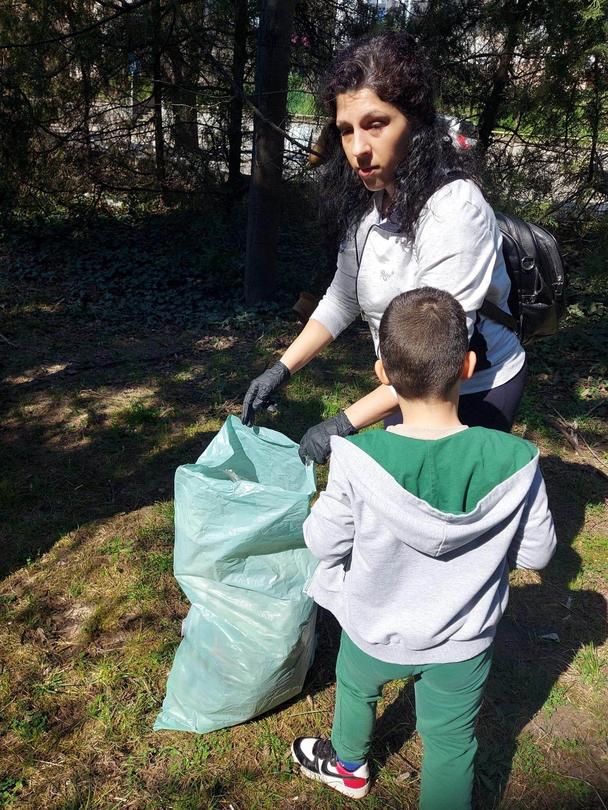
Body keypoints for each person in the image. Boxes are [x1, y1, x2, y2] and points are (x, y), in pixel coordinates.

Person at [290, 287, 556, 807]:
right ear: (469, 366)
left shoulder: (355, 456)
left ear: (382, 373)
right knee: (452, 744)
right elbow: (538, 555)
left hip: (372, 628)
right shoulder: (517, 458)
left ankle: (349, 769)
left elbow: (322, 542)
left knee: (355, 689)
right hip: (463, 639)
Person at [241, 32, 527, 462]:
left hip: (470, 388)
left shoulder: (454, 210)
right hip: (408, 386)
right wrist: (281, 369)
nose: (358, 148)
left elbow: (435, 355)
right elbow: (341, 297)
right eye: (345, 130)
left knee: (437, 512)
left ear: (414, 121)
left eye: (376, 124)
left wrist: (343, 422)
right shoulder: (373, 199)